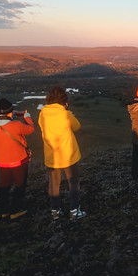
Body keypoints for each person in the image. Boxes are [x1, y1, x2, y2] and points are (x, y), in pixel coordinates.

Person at [38, 86, 86, 220]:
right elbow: (77, 126)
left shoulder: (43, 113)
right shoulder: (65, 114)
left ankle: (55, 211)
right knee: (74, 182)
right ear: (64, 99)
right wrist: (67, 110)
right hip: (68, 155)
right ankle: (74, 211)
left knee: (53, 184)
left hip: (52, 156)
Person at [0, 98, 34, 220]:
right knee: (20, 186)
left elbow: (5, 121)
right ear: (10, 111)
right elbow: (31, 128)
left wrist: (13, 113)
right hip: (18, 162)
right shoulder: (16, 125)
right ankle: (15, 210)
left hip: (2, 163)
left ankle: (4, 211)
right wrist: (27, 116)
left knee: (4, 186)